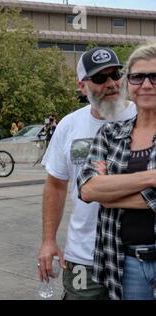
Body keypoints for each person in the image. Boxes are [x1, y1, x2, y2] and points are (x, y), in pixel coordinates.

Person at [37, 47, 136, 300]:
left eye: (116, 75)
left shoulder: (143, 116)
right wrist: (49, 241)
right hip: (84, 255)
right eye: (100, 78)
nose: (112, 84)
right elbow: (56, 186)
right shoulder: (70, 125)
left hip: (136, 256)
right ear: (82, 86)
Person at [78, 43, 156, 300]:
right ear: (129, 84)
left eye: (155, 76)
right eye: (137, 76)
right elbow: (88, 188)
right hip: (126, 263)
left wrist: (110, 193)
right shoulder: (110, 135)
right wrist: (150, 178)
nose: (146, 84)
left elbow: (101, 192)